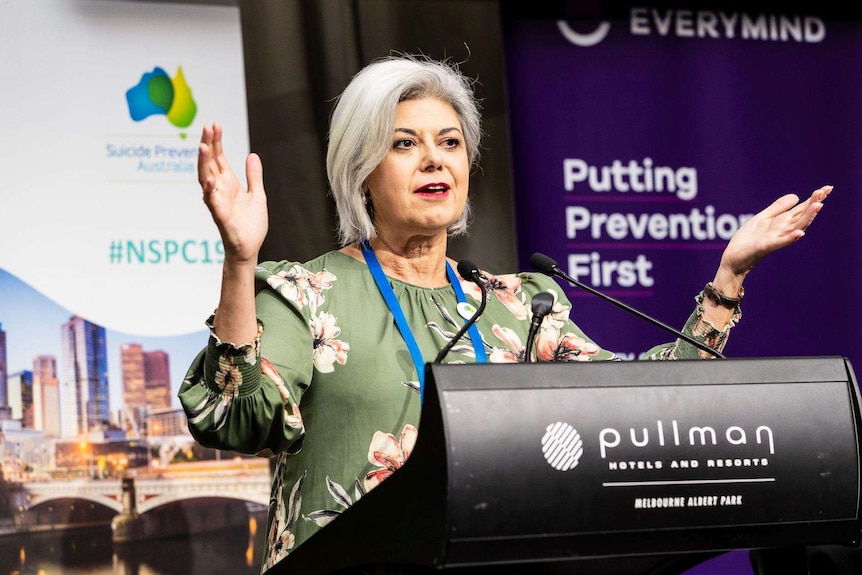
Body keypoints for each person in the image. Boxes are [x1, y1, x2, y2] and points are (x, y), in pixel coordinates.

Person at [178, 54, 832, 573]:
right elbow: (232, 414)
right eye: (405, 143)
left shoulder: (518, 303)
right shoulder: (306, 290)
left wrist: (727, 277)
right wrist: (240, 260)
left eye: (451, 142)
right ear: (361, 171)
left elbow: (643, 410)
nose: (435, 158)